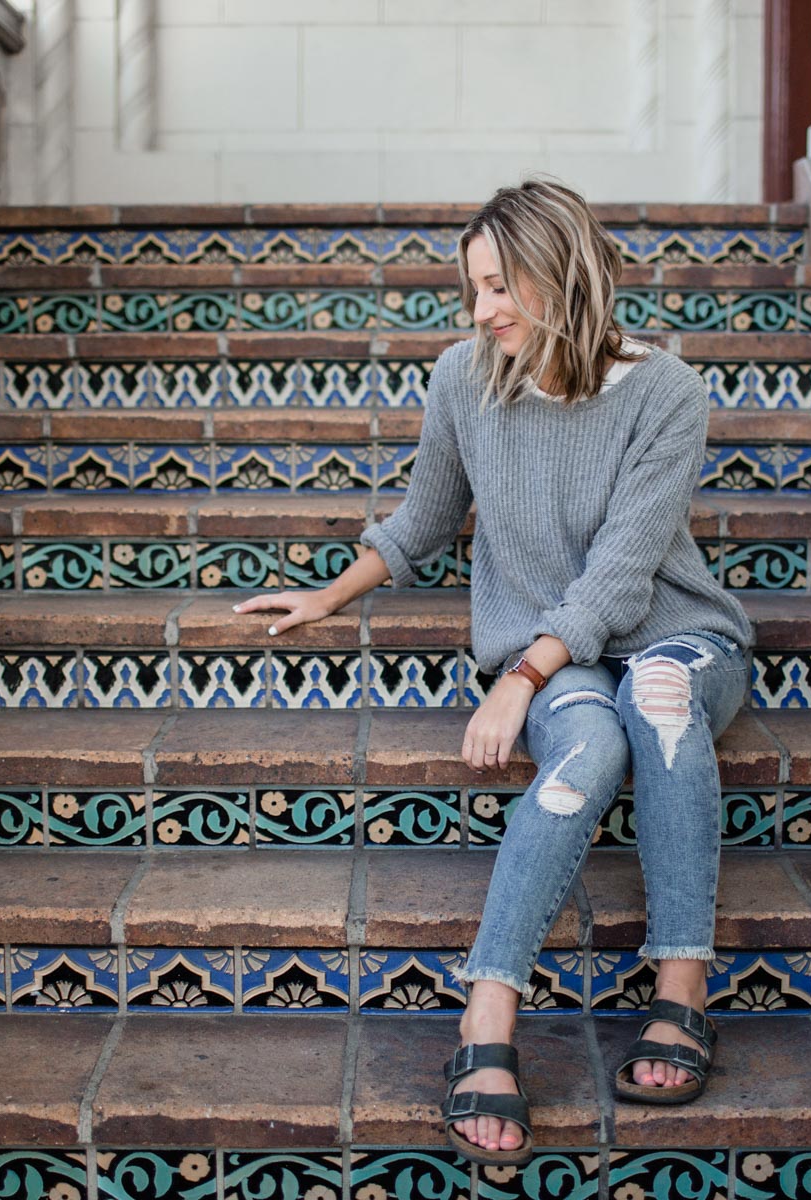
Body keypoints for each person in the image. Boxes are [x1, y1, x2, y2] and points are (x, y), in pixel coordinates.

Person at [232, 176, 753, 1166]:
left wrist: (518, 678)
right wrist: (328, 597)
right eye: (474, 289)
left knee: (659, 695)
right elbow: (425, 517)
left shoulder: (666, 391)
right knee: (588, 751)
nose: (484, 310)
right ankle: (487, 1023)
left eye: (503, 285)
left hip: (672, 637)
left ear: (567, 271)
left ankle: (681, 993)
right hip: (560, 661)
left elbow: (624, 571)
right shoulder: (464, 378)